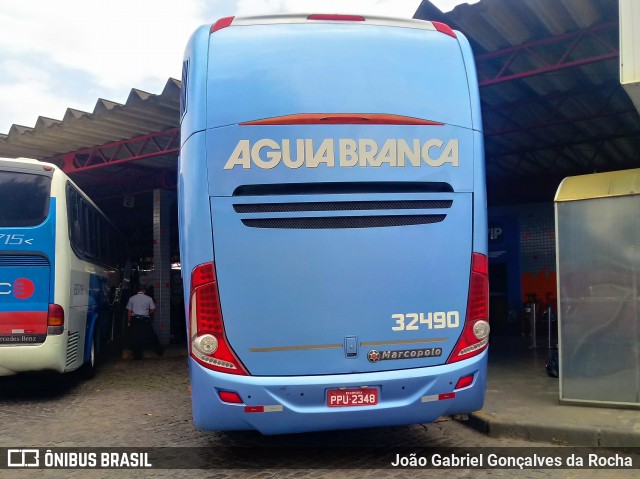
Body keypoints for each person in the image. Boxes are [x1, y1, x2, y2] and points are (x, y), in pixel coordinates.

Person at [126, 286, 164, 359]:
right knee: (152, 335)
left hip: (135, 319)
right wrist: (147, 313)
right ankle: (159, 351)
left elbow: (129, 311)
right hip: (145, 319)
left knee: (136, 337)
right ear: (144, 291)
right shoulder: (148, 298)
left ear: (137, 291)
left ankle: (138, 355)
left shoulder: (132, 298)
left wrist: (129, 321)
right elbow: (153, 309)